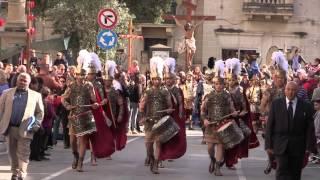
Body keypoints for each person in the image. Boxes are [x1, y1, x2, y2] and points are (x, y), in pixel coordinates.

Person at [265, 81, 314, 180]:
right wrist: (268, 145)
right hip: (280, 144)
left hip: (298, 145)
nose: (290, 92)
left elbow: (309, 128)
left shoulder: (306, 106)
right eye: (288, 89)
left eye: (293, 90)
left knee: (295, 173)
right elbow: (269, 126)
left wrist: (309, 146)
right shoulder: (276, 104)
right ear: (285, 90)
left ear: (297, 91)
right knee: (281, 170)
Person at [0, 73, 44, 180]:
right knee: (12, 152)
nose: (22, 82)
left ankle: (22, 173)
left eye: (25, 81)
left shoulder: (36, 95)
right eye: (21, 80)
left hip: (26, 129)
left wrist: (35, 125)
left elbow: (40, 113)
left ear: (29, 83)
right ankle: (14, 172)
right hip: (10, 128)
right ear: (16, 81)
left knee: (24, 152)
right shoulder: (6, 93)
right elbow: (1, 110)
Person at [61, 68, 99, 172]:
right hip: (74, 115)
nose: (82, 77)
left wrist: (95, 104)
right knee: (73, 141)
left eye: (84, 75)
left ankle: (81, 162)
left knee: (83, 140)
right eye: (80, 75)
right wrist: (67, 106)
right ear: (76, 75)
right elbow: (63, 98)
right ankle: (76, 156)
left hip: (86, 115)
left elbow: (94, 99)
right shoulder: (71, 86)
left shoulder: (89, 85)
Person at [139, 65, 173, 174]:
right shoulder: (147, 92)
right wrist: (142, 117)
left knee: (158, 143)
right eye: (155, 79)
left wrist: (168, 110)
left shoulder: (165, 92)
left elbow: (169, 105)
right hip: (149, 122)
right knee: (148, 145)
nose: (157, 81)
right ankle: (151, 158)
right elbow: (142, 106)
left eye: (158, 79)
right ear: (152, 80)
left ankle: (156, 164)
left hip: (161, 121)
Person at [201, 77, 238, 176]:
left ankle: (217, 167)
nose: (219, 86)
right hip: (211, 125)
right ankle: (212, 160)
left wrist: (234, 112)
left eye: (220, 84)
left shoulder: (227, 96)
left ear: (223, 85)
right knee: (210, 148)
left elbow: (232, 108)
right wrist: (204, 119)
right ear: (214, 84)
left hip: (223, 125)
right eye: (217, 84)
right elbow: (203, 110)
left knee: (220, 146)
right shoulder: (208, 96)